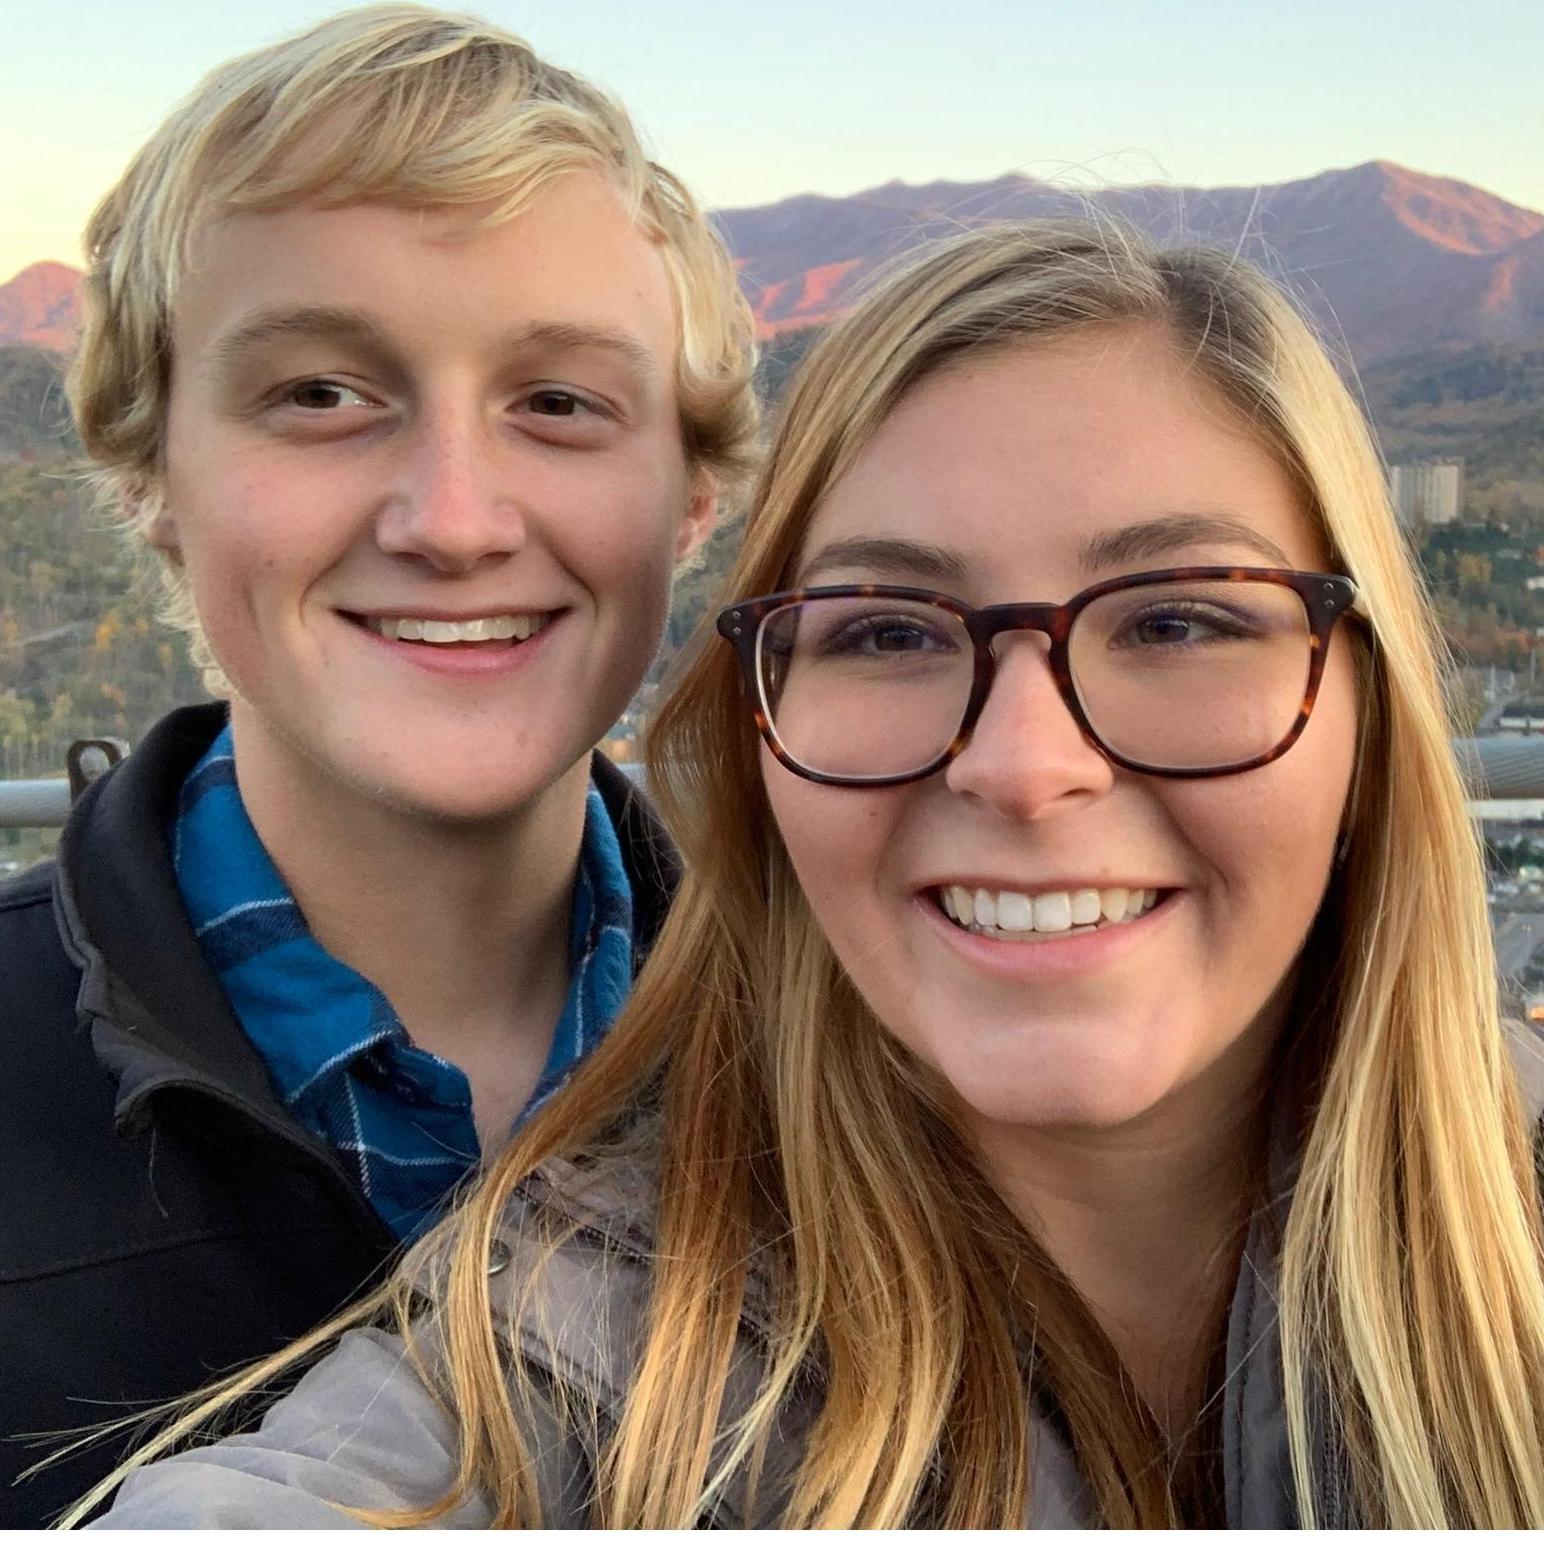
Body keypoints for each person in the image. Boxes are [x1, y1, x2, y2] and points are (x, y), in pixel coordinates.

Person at [84, 219, 1544, 1530]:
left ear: (1369, 706)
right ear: (763, 742)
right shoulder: (585, 1343)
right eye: (891, 632)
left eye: (1176, 622)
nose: (1024, 766)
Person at [0, 4, 758, 1526]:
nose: (455, 519)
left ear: (692, 494)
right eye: (321, 396)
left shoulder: (876, 1073)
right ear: (150, 473)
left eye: (559, 403)